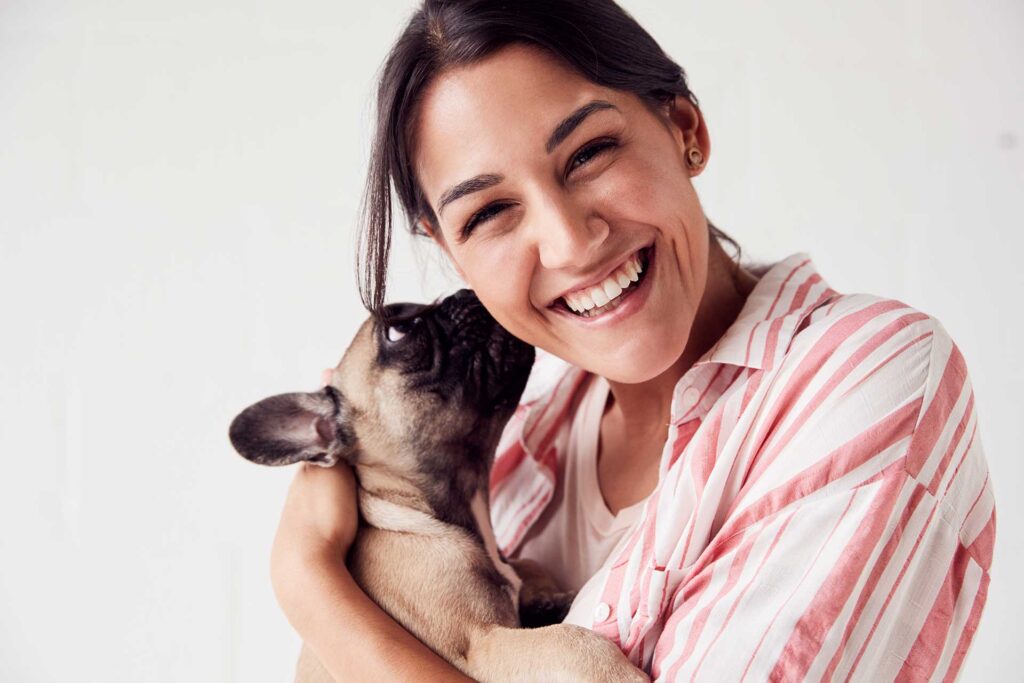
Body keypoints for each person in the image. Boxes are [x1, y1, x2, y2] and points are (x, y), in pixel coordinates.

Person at [270, 1, 995, 680]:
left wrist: (315, 588)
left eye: (589, 153)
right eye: (490, 210)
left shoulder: (864, 378)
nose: (568, 241)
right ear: (452, 254)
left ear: (686, 127)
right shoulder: (517, 468)